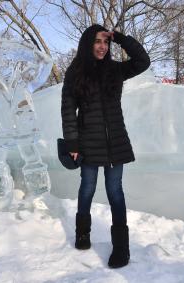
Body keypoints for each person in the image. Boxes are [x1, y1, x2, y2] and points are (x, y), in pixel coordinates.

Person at [61, 24, 150, 268]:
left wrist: (121, 38)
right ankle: (82, 234)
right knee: (87, 188)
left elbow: (143, 61)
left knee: (115, 193)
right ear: (88, 44)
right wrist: (72, 143)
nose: (102, 46)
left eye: (105, 42)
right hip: (87, 143)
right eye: (98, 41)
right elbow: (68, 110)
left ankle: (121, 248)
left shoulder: (115, 70)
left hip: (115, 144)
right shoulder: (75, 72)